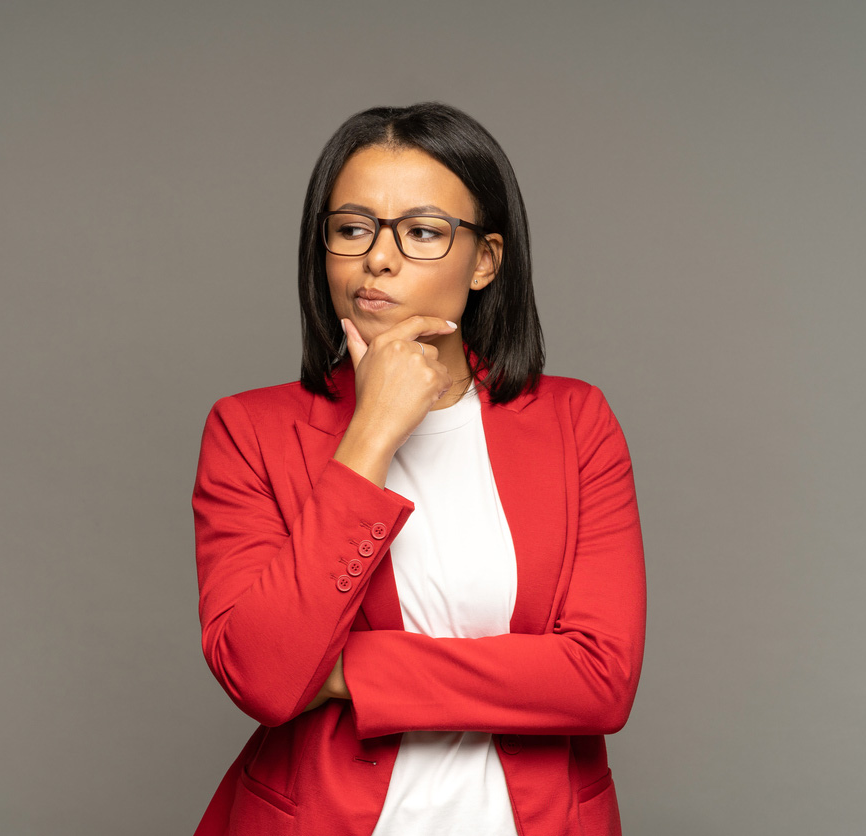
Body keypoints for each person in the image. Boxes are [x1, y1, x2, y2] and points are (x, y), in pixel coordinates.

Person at [191, 102, 646, 836]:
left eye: (424, 232)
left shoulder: (576, 423)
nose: (379, 257)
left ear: (486, 261)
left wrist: (348, 674)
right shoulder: (250, 431)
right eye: (352, 228)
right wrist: (369, 434)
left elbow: (600, 681)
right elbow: (266, 678)